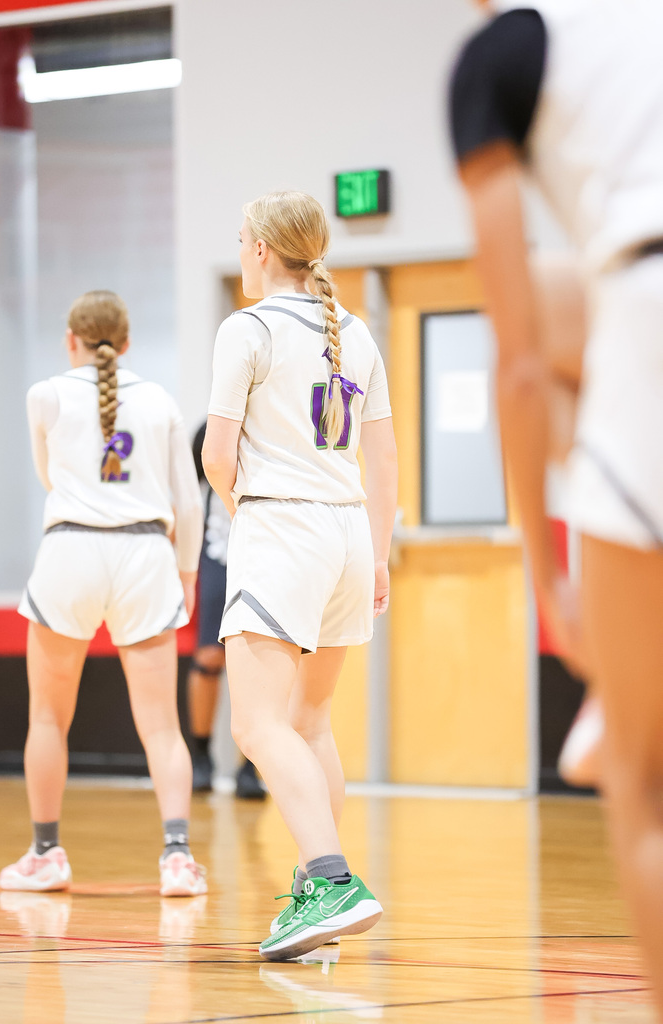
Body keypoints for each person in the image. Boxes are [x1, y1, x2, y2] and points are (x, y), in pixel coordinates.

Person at [449, 0, 663, 1011]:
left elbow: (521, 365)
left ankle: (617, 691)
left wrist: (549, 580)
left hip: (644, 308)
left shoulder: (505, 55)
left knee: (642, 789)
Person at [202, 191, 397, 961]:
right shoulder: (357, 330)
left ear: (258, 249)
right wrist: (377, 552)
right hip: (348, 531)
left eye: (239, 239)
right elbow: (383, 461)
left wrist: (243, 510)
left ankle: (330, 880)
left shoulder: (246, 328)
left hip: (282, 529)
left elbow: (217, 456)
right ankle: (318, 905)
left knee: (255, 726)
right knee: (310, 723)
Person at [0, 290, 207, 898]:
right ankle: (177, 857)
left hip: (71, 550)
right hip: (146, 553)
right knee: (162, 726)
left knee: (47, 716)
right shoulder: (160, 400)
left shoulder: (45, 394)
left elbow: (49, 477)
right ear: (127, 341)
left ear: (71, 339)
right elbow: (189, 504)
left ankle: (46, 855)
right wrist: (186, 576)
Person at [187, 422, 266, 798]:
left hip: (262, 554)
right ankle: (200, 755)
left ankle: (251, 766)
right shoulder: (210, 431)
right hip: (217, 553)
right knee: (208, 658)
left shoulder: (266, 431)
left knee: (260, 663)